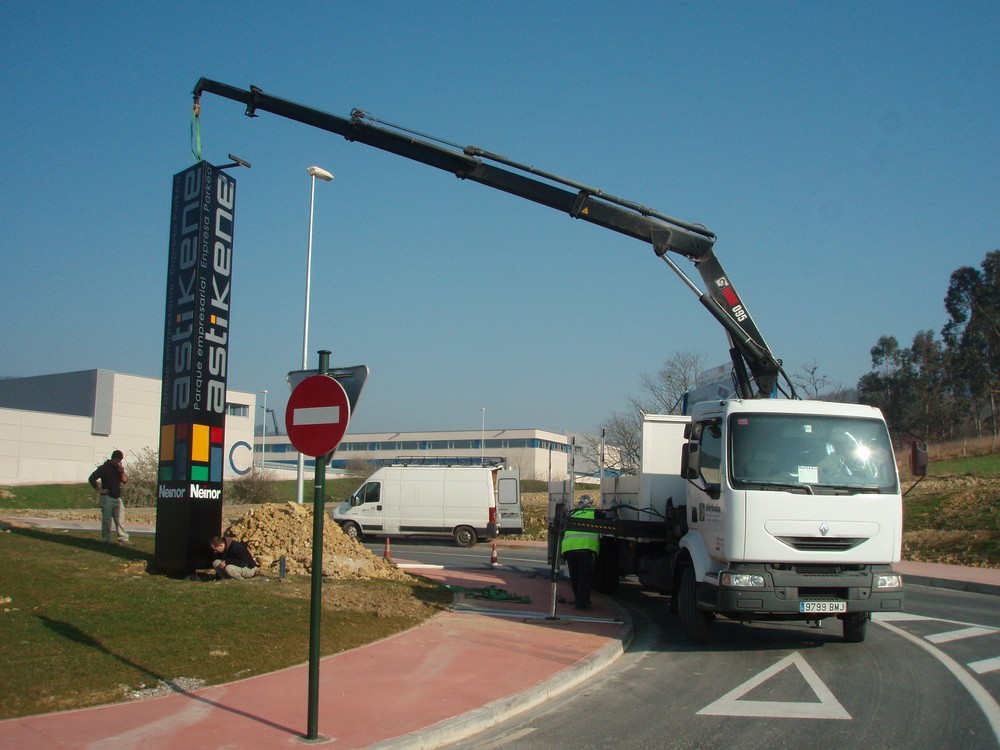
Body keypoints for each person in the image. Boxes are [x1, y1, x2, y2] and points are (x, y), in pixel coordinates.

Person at [560, 495, 600, 609]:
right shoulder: (594, 513)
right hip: (584, 548)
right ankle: (582, 603)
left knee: (575, 576)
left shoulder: (573, 513)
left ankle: (579, 599)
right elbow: (609, 518)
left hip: (569, 548)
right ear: (591, 503)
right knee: (584, 576)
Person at [89, 449, 130, 546]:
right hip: (107, 497)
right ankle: (106, 539)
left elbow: (125, 480)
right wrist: (99, 490)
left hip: (117, 497)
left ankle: (123, 539)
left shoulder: (118, 469)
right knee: (107, 520)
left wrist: (121, 472)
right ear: (114, 459)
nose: (119, 463)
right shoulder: (104, 468)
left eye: (120, 461)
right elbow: (92, 478)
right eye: (118, 460)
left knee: (120, 519)